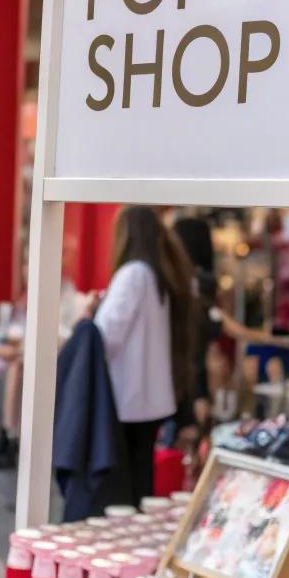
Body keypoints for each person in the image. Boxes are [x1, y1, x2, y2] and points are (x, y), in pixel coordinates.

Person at [91, 205, 194, 503]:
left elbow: (107, 334)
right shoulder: (159, 276)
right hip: (148, 399)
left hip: (126, 396)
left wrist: (90, 316)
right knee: (140, 476)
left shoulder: (133, 274)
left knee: (122, 483)